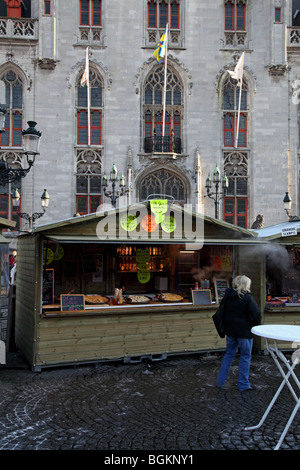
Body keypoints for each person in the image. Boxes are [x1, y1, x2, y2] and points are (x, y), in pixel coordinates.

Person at [217, 275, 261, 391]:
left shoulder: (227, 296)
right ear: (246, 284)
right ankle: (243, 384)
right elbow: (256, 315)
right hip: (244, 332)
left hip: (231, 331)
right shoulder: (248, 298)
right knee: (245, 357)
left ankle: (220, 382)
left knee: (229, 354)